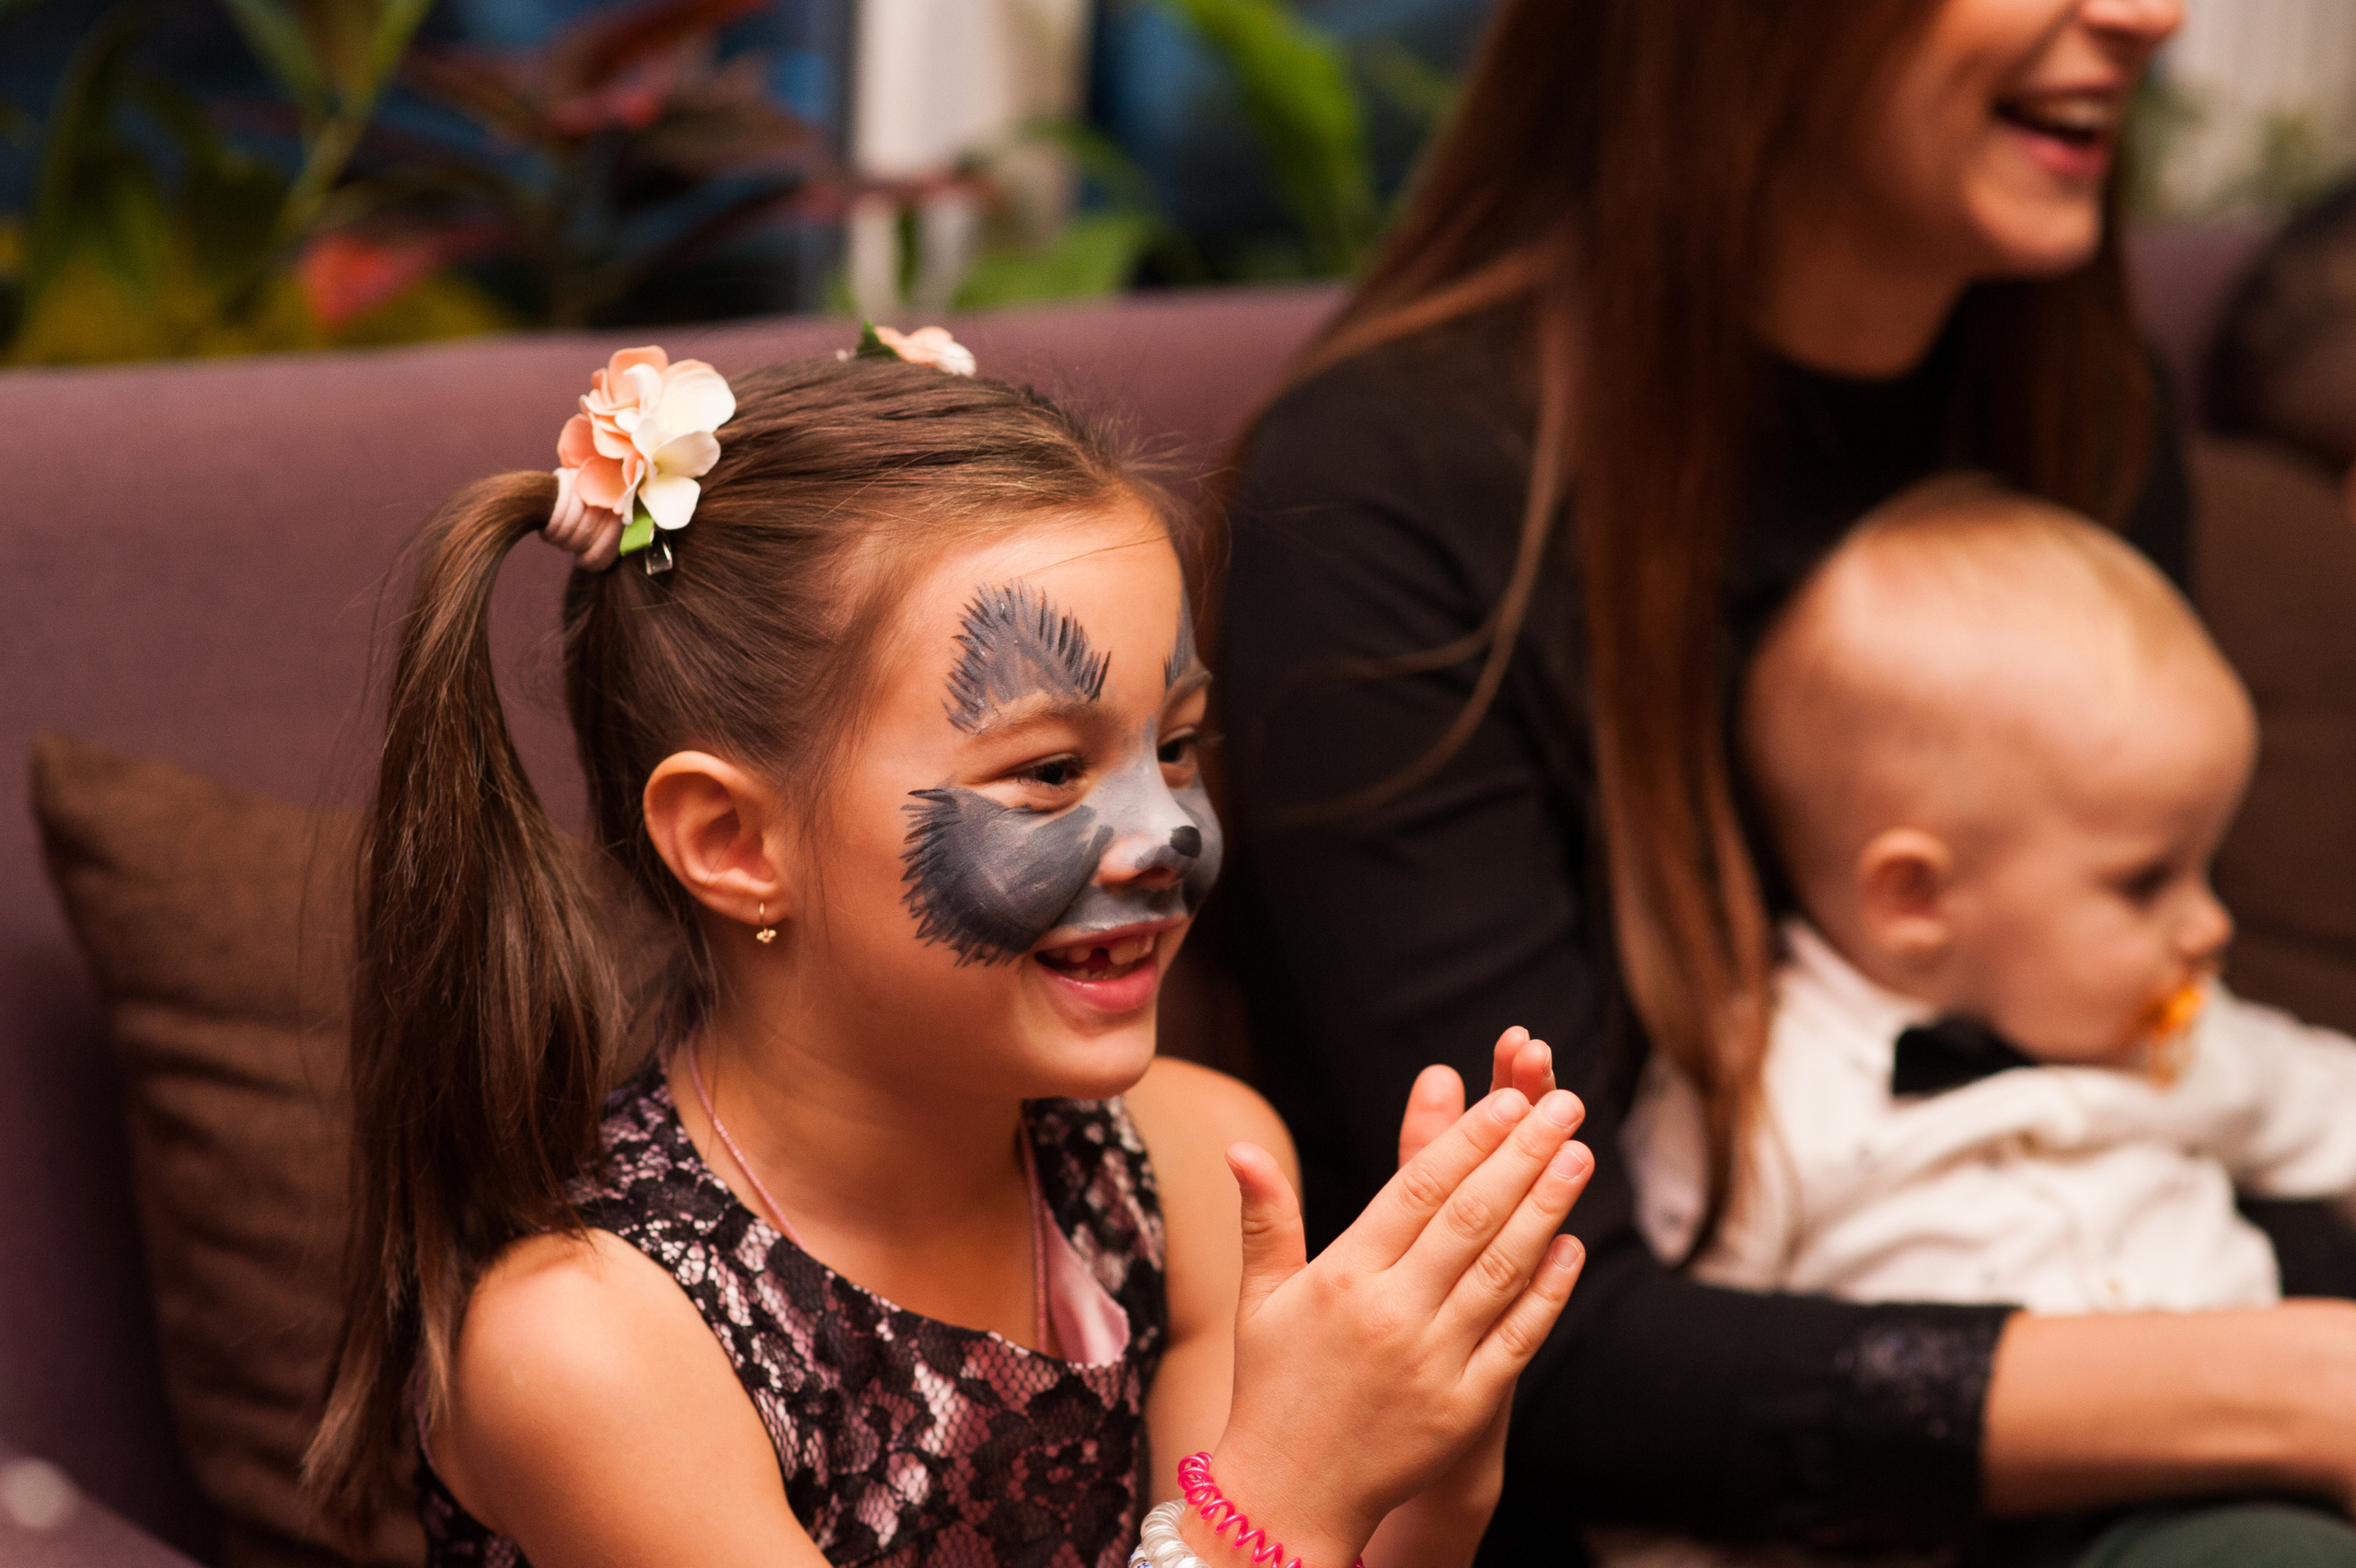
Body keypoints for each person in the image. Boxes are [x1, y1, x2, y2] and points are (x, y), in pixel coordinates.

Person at [1215, 0, 2356, 1561]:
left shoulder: (2082, 400)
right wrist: (2289, 1382)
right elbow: (1536, 1340)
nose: (2151, 14)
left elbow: (2133, 1091)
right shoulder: (1385, 503)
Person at [301, 334, 1599, 1568]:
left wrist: (1424, 1475)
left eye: (1180, 745)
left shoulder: (1190, 1171)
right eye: (1047, 771)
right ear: (734, 841)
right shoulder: (596, 1344)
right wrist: (1287, 1487)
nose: (1166, 834)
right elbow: (1261, 1537)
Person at [1605, 477, 2356, 1565]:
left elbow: (2333, 1108)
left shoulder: (2181, 1031)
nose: (2208, 923)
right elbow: (1671, 1428)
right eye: (2147, 881)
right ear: (1916, 899)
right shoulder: (1752, 1088)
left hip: (2235, 1482)